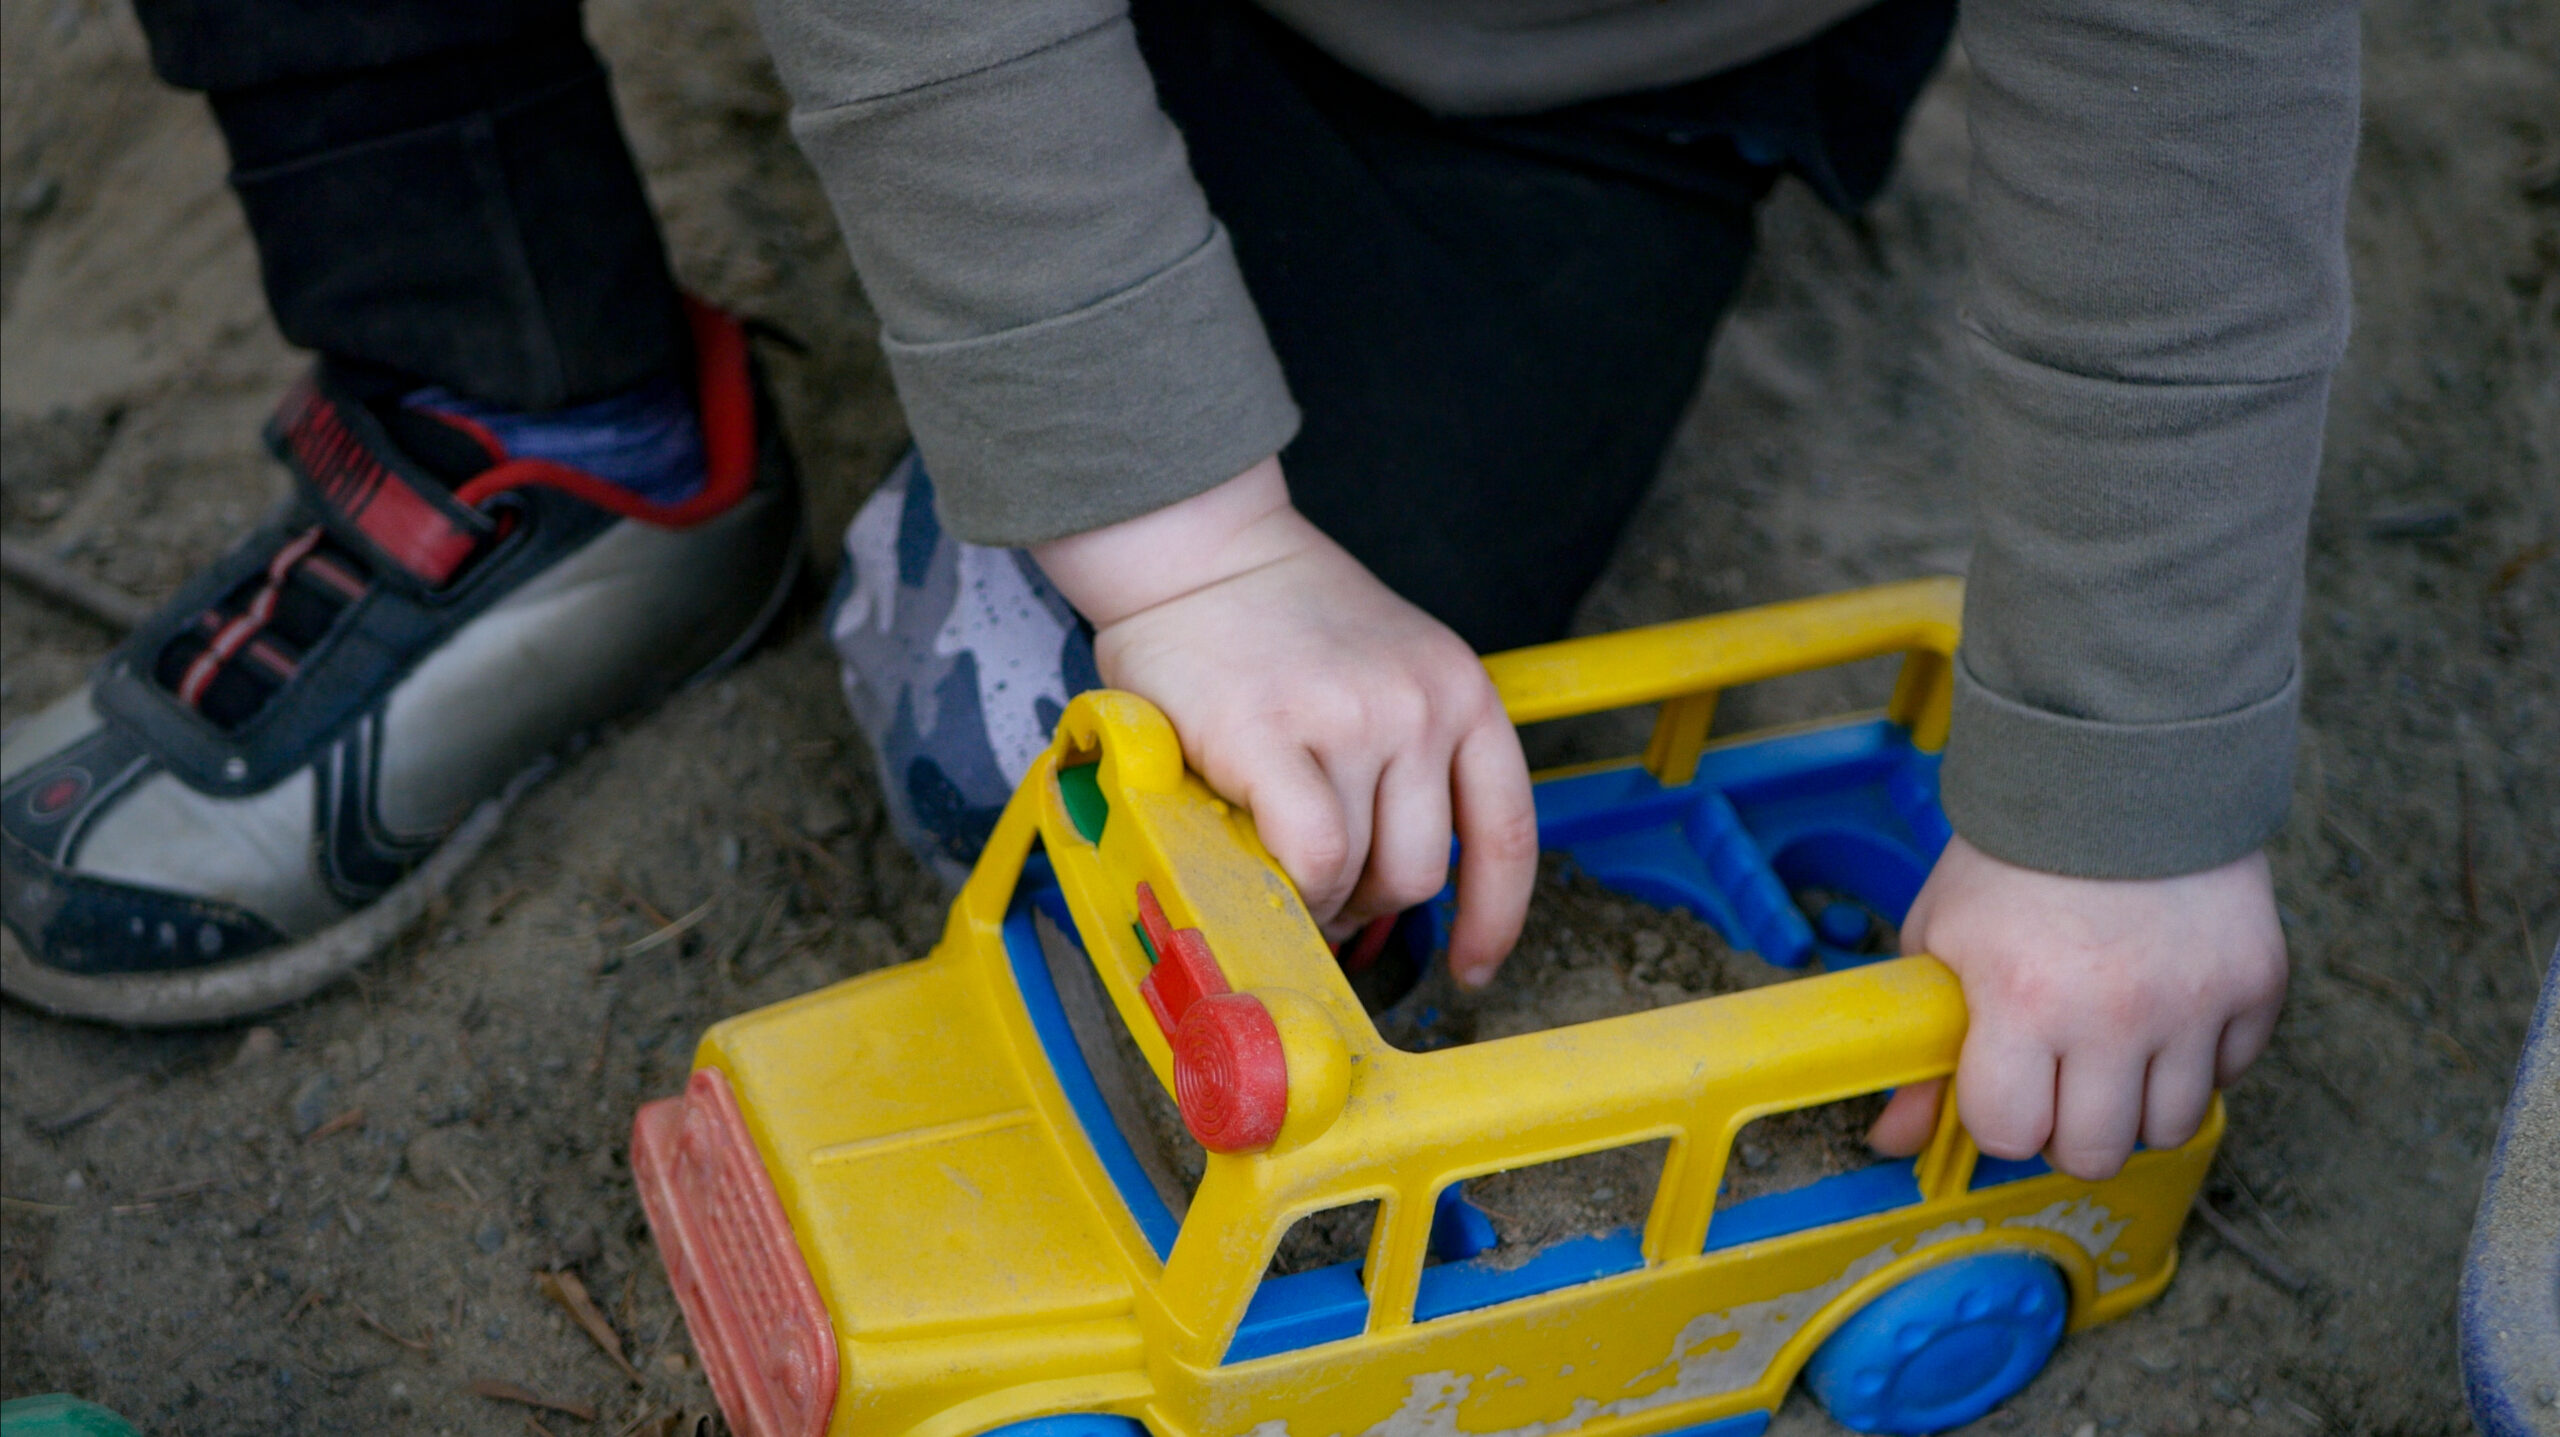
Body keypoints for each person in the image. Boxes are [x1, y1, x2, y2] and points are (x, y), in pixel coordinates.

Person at [0, 0, 2351, 1185]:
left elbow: (2188, 99)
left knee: (1022, 731)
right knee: (1125, 640)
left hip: (1534, 69)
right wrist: (1192, 530)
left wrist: (2117, 792)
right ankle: (527, 400)